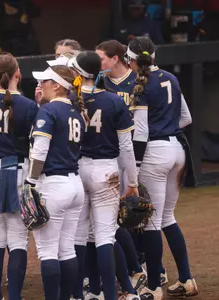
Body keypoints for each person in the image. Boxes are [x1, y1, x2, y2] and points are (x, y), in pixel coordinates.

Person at [127, 36, 196, 300]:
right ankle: (186, 279)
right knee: (167, 217)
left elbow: (141, 131)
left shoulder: (141, 84)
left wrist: (134, 166)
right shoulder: (172, 78)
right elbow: (186, 118)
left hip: (155, 152)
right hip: (177, 148)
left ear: (131, 60)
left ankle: (154, 286)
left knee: (152, 222)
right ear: (154, 56)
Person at [69, 51, 139, 300]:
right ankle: (110, 294)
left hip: (77, 170)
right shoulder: (113, 101)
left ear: (78, 73)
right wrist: (132, 181)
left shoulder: (69, 98)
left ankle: (77, 294)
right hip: (106, 170)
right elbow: (127, 147)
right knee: (104, 237)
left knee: (78, 237)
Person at [0, 54, 38, 300]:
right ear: (17, 74)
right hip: (18, 172)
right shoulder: (31, 106)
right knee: (18, 240)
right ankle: (13, 296)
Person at [96, 39, 154, 291]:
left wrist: (136, 166)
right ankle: (128, 269)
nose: (99, 64)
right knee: (115, 216)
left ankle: (144, 266)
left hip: (135, 152)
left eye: (102, 58)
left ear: (116, 58)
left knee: (137, 212)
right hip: (109, 154)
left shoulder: (138, 80)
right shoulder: (100, 82)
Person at [29, 65, 85, 300]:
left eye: (45, 81)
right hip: (74, 183)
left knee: (48, 251)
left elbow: (40, 152)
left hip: (53, 184)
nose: (40, 85)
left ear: (58, 86)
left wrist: (30, 182)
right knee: (67, 249)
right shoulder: (77, 111)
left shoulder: (49, 111)